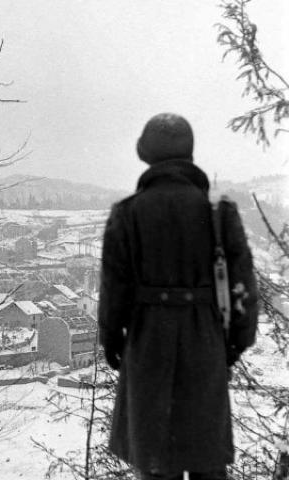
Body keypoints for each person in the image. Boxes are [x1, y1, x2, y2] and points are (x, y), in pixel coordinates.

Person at [97, 113, 258, 480]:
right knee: (207, 462)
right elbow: (243, 290)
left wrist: (113, 342)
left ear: (147, 154)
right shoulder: (219, 213)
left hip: (147, 342)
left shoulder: (127, 213)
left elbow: (113, 291)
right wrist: (234, 344)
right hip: (206, 343)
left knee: (154, 462)